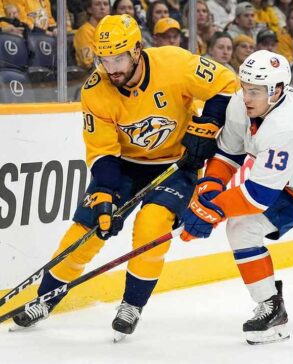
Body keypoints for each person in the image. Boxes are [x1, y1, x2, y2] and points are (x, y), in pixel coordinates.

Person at [12, 14, 237, 341]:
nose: (111, 67)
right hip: (126, 166)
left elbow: (226, 81)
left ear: (136, 50)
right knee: (86, 230)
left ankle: (132, 305)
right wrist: (103, 194)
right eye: (104, 59)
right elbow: (103, 151)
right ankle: (45, 298)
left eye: (118, 57)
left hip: (176, 164)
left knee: (151, 224)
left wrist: (209, 124)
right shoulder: (96, 89)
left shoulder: (173, 62)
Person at [181, 49, 293, 345]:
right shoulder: (242, 103)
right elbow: (228, 152)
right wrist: (210, 187)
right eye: (244, 87)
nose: (246, 97)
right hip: (290, 185)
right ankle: (271, 309)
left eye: (255, 91)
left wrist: (210, 210)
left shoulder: (288, 126)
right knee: (242, 228)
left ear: (276, 91)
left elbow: (256, 196)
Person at [73, 0, 111, 70]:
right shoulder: (84, 31)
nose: (102, 7)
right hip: (90, 76)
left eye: (105, 4)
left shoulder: (112, 31)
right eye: (97, 4)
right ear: (89, 9)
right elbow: (88, 63)